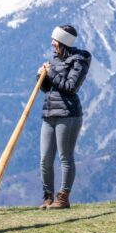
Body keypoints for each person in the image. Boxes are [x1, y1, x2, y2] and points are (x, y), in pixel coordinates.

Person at [37, 25, 91, 209]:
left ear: (63, 42)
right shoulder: (54, 60)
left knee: (65, 157)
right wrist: (41, 77)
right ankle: (48, 196)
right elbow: (48, 89)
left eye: (55, 40)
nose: (52, 43)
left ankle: (63, 197)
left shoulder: (79, 60)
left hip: (68, 114)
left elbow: (70, 87)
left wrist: (50, 73)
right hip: (49, 113)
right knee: (45, 158)